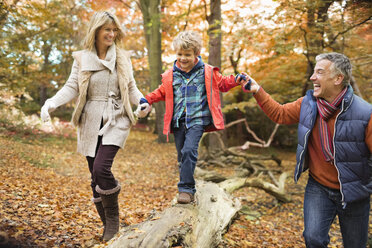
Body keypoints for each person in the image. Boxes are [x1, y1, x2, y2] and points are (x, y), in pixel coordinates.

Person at [40, 11, 151, 242]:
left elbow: (131, 87)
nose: (111, 34)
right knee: (94, 178)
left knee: (102, 168)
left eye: (114, 30)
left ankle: (113, 223)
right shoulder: (82, 58)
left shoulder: (122, 57)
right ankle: (108, 227)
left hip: (116, 116)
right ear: (96, 30)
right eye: (107, 29)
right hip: (90, 119)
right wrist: (51, 102)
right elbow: (72, 87)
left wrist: (142, 102)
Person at [241, 52, 372, 247]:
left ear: (338, 79)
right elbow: (280, 113)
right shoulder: (308, 105)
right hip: (318, 187)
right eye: (313, 72)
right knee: (313, 238)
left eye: (319, 72)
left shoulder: (365, 113)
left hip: (354, 192)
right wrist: (257, 89)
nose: (312, 77)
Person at [139, 31, 247, 204]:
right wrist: (147, 99)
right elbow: (161, 92)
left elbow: (223, 83)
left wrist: (237, 79)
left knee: (189, 150)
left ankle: (186, 189)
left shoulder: (207, 72)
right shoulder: (171, 75)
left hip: (197, 121)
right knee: (182, 157)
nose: (183, 58)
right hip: (178, 121)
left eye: (187, 55)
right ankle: (187, 185)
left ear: (196, 54)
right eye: (179, 54)